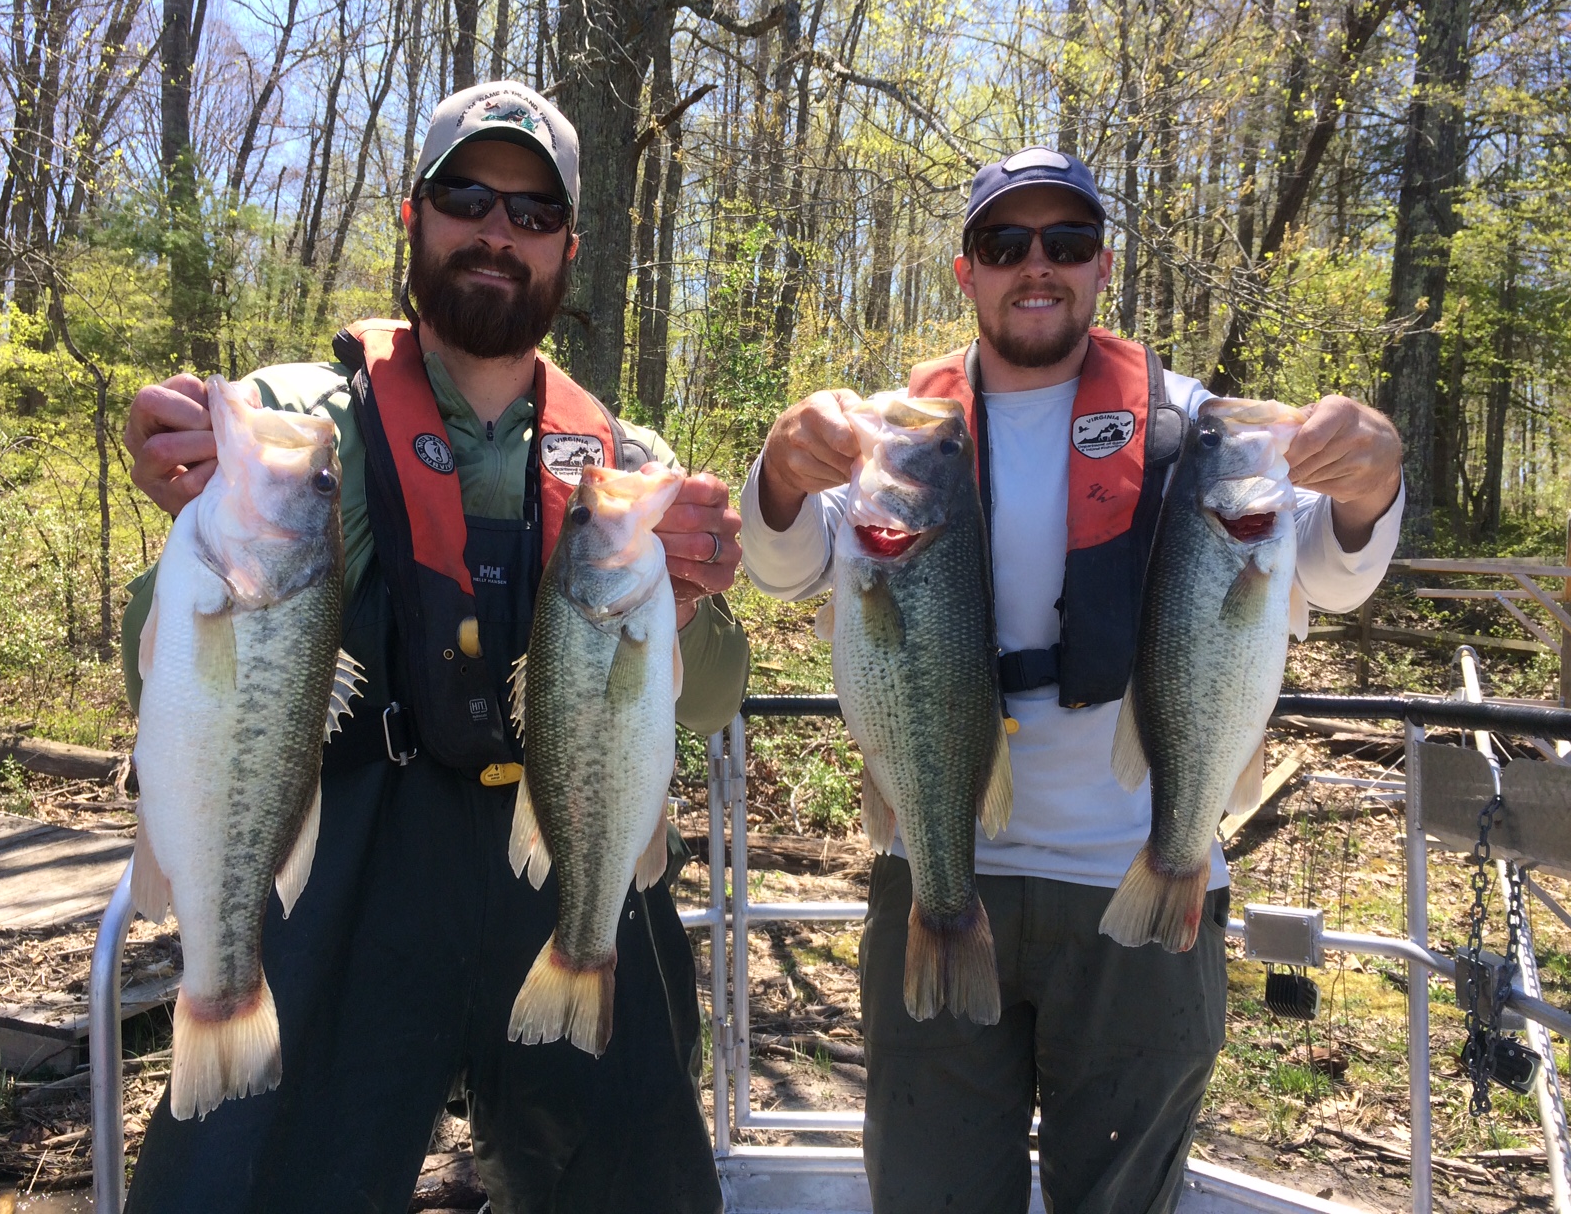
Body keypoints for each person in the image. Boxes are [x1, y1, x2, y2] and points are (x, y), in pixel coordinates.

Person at [118, 81, 747, 1214]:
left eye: (532, 211)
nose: (496, 232)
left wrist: (693, 605)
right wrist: (180, 509)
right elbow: (158, 664)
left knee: (631, 1182)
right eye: (466, 195)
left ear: (568, 249)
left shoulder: (629, 465)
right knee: (247, 1183)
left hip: (561, 855)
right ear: (412, 215)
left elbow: (705, 702)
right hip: (348, 876)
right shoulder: (296, 422)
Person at [740, 146, 1404, 1214]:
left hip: (1139, 869)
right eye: (1005, 244)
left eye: (1068, 242)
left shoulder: (1199, 424)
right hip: (940, 866)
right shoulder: (896, 434)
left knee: (1123, 1196)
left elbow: (1334, 569)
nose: (1036, 266)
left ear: (1103, 269)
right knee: (932, 1190)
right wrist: (777, 473)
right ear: (967, 273)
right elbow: (785, 566)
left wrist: (1373, 476)